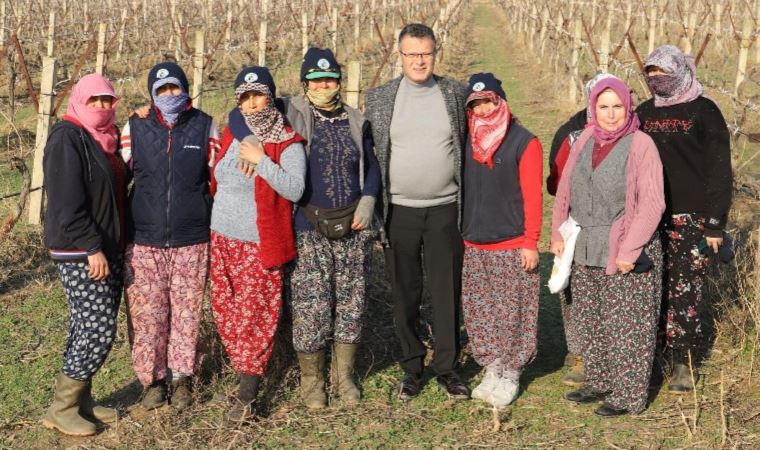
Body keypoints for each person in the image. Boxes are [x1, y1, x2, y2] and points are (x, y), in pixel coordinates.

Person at [364, 23, 469, 401]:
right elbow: (369, 153)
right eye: (412, 54)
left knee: (446, 291)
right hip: (400, 212)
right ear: (400, 55)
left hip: (445, 209)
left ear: (435, 53)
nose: (419, 60)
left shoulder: (455, 93)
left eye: (425, 53)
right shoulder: (379, 98)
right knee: (405, 292)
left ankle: (447, 367)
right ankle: (411, 366)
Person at [550, 77, 665, 416]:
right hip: (585, 243)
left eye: (618, 106)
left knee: (628, 325)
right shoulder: (585, 137)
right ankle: (600, 380)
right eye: (604, 106)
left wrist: (630, 250)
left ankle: (629, 396)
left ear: (628, 107)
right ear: (593, 108)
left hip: (624, 245)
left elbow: (652, 203)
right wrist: (558, 233)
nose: (611, 114)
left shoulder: (641, 144)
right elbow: (565, 189)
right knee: (591, 318)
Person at [279, 48, 381, 409]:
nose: (323, 85)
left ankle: (345, 377)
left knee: (351, 303)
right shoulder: (289, 112)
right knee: (311, 306)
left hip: (354, 224)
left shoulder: (356, 120)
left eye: (330, 79)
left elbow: (372, 166)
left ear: (338, 83)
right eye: (316, 80)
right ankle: (312, 381)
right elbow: (246, 110)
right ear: (304, 83)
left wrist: (369, 199)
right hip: (308, 225)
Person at [121, 61, 220, 411]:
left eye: (174, 88)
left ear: (185, 89)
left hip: (192, 239)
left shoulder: (205, 126)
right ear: (151, 93)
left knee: (186, 314)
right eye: (161, 90)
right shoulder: (134, 126)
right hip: (144, 240)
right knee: (149, 317)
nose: (168, 95)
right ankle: (153, 383)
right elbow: (118, 178)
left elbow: (217, 179)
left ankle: (181, 380)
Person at [210, 66, 306, 421]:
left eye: (258, 95)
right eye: (245, 97)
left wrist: (261, 160)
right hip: (221, 239)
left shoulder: (286, 141)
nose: (252, 104)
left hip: (257, 243)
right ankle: (241, 380)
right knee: (226, 314)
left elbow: (295, 188)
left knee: (254, 319)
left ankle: (248, 395)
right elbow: (215, 178)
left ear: (271, 96)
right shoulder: (231, 133)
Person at [636, 45, 732, 393]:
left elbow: (719, 170)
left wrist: (715, 222)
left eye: (662, 71)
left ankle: (682, 362)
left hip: (691, 219)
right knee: (650, 287)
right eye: (650, 72)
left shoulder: (704, 110)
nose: (656, 78)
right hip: (649, 217)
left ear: (679, 70)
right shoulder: (643, 111)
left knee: (685, 290)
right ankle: (650, 354)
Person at [41, 74, 126, 436]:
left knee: (83, 325)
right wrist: (91, 246)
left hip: (105, 246)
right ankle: (62, 408)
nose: (102, 106)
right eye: (95, 100)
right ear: (80, 100)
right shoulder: (67, 138)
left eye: (107, 100)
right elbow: (65, 204)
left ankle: (82, 401)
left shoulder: (104, 137)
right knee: (98, 328)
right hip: (80, 249)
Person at [460, 73, 542, 408]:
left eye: (488, 101)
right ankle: (492, 366)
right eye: (475, 103)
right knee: (481, 311)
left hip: (511, 242)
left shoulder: (524, 141)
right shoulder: (468, 140)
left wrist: (531, 240)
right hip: (474, 241)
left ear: (501, 101)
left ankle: (511, 371)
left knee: (513, 312)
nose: (482, 108)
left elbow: (533, 197)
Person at [547, 71, 616, 387]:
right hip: (578, 223)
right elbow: (556, 185)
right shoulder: (571, 135)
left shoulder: (634, 133)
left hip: (617, 224)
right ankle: (579, 354)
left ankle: (611, 353)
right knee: (574, 289)